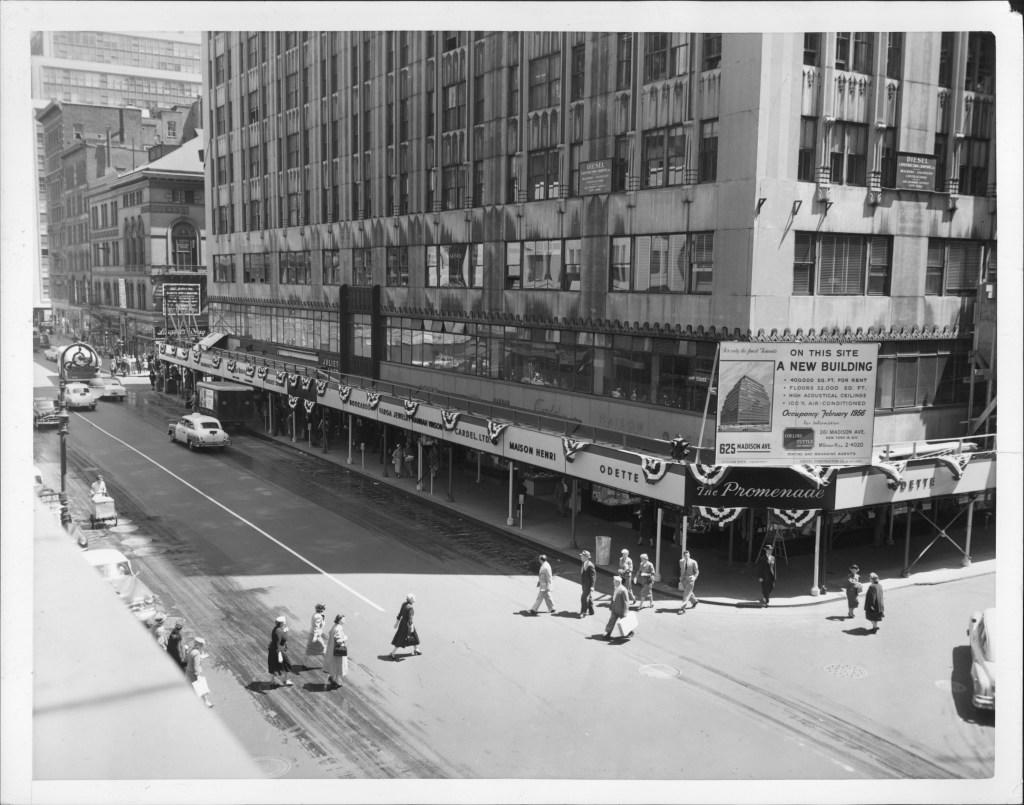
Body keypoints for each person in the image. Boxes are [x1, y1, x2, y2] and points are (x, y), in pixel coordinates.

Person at [390, 594, 421, 658]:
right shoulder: (410, 608)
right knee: (402, 639)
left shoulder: (404, 604)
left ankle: (416, 649)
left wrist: (396, 623)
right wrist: (411, 626)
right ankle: (393, 653)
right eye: (413, 599)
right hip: (408, 625)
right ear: (411, 600)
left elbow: (400, 614)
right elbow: (410, 618)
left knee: (412, 636)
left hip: (402, 624)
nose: (414, 599)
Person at [186, 637, 214, 708]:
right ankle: (206, 702)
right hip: (194, 673)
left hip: (188, 671)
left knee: (193, 687)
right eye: (202, 645)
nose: (203, 647)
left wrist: (201, 657)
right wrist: (197, 674)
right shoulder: (197, 653)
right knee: (201, 687)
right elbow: (196, 665)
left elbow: (190, 658)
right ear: (200, 645)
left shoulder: (191, 650)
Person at [267, 615, 294, 686]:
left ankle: (272, 681)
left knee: (274, 665)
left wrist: (285, 631)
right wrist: (279, 653)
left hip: (274, 650)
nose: (285, 624)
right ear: (281, 623)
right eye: (284, 623)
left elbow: (281, 637)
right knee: (287, 664)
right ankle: (285, 680)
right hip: (278, 651)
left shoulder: (278, 629)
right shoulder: (278, 631)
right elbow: (278, 642)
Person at [324, 614, 349, 688]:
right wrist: (345, 638)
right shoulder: (339, 628)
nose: (345, 620)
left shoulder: (335, 626)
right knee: (339, 666)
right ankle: (337, 682)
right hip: (338, 651)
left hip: (332, 649)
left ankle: (332, 677)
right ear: (340, 620)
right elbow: (339, 641)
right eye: (343, 619)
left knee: (334, 665)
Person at [579, 549, 596, 618]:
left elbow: (593, 577)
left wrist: (592, 586)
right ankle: (591, 610)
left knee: (583, 598)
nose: (581, 557)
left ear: (586, 557)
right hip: (584, 584)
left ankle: (583, 612)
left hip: (588, 585)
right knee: (589, 597)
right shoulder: (584, 563)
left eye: (582, 556)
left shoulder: (590, 565)